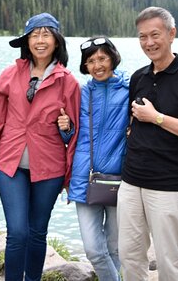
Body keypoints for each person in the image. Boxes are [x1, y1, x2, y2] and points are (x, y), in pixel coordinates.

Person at [0, 13, 81, 281]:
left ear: (57, 41)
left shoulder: (67, 81)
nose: (40, 40)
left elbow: (75, 133)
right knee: (17, 232)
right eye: (35, 34)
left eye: (46, 34)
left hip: (50, 167)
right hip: (10, 166)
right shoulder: (10, 74)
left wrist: (66, 127)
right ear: (27, 41)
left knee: (37, 232)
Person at [118, 6, 178, 281]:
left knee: (170, 260)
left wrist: (157, 118)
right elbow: (131, 124)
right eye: (142, 36)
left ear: (172, 34)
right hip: (131, 179)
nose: (149, 42)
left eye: (155, 34)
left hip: (169, 183)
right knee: (130, 254)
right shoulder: (139, 77)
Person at [57, 37, 129, 281]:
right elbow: (71, 135)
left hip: (121, 179)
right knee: (93, 250)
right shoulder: (80, 93)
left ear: (112, 58)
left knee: (116, 248)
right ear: (85, 66)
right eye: (90, 61)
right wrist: (64, 128)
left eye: (102, 58)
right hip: (84, 178)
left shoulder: (130, 88)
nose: (97, 65)